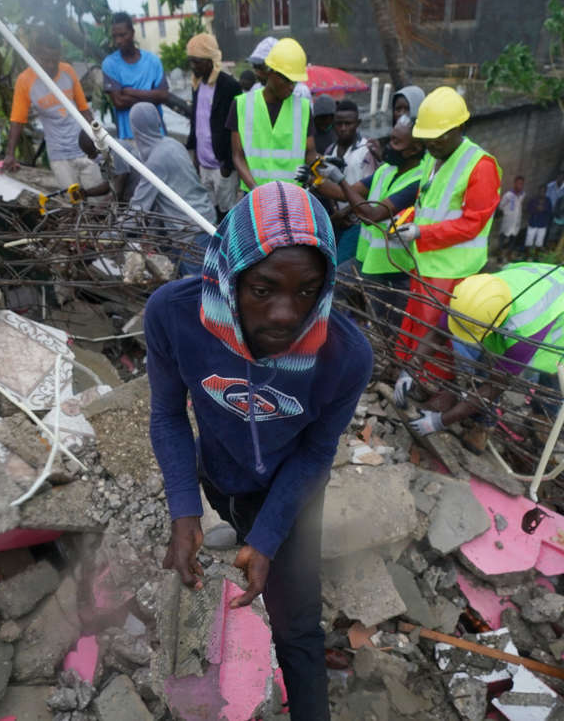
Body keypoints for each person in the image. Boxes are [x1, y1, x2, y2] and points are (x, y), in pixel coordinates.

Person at [147, 181, 372, 721]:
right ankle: (241, 529)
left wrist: (270, 537)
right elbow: (168, 416)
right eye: (263, 289)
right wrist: (184, 513)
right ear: (231, 276)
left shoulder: (345, 356)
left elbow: (316, 455)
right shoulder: (176, 316)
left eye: (306, 291)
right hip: (218, 472)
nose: (284, 315)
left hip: (290, 485)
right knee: (236, 522)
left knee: (296, 624)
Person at [398, 263, 564, 453]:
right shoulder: (468, 296)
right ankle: (483, 422)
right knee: (487, 360)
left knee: (556, 368)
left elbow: (495, 384)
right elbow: (439, 332)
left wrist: (441, 421)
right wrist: (409, 369)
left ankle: (542, 420)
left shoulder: (525, 329)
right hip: (534, 281)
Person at [390, 86, 502, 396]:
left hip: (453, 269)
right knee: (415, 323)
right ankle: (408, 374)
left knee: (436, 333)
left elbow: (472, 224)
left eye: (439, 137)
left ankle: (430, 387)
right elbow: (427, 202)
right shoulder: (432, 157)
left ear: (459, 128)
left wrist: (422, 233)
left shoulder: (480, 166)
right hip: (425, 261)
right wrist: (409, 222)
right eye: (428, 138)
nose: (432, 144)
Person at [302, 115, 428, 313]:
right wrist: (314, 180)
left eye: (395, 142)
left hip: (392, 272)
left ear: (414, 150)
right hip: (365, 261)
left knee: (385, 333)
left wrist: (339, 178)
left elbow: (372, 215)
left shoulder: (417, 181)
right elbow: (346, 193)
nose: (387, 145)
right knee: (327, 295)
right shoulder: (386, 170)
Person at [2, 30, 105, 200]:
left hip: (85, 150)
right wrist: (10, 154)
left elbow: (84, 109)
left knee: (99, 202)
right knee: (74, 204)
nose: (50, 65)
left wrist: (99, 139)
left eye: (54, 60)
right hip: (59, 155)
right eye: (45, 60)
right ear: (35, 56)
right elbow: (17, 120)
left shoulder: (68, 71)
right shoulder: (25, 80)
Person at [228, 38, 317, 192]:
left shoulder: (303, 108)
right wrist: (257, 191)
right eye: (287, 80)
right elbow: (238, 156)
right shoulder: (241, 105)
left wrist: (317, 173)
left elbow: (310, 154)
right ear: (270, 72)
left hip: (292, 198)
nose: (291, 86)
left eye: (295, 81)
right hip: (253, 196)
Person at [127, 103, 215, 257]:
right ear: (158, 122)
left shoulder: (155, 161)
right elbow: (161, 199)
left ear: (136, 129)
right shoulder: (173, 144)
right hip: (206, 218)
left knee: (196, 278)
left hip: (189, 231)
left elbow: (139, 208)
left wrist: (109, 235)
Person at [185, 33, 242, 218]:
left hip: (221, 165)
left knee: (228, 213)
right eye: (191, 61)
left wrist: (227, 165)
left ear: (210, 61)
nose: (193, 66)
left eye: (197, 62)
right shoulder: (198, 84)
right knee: (209, 212)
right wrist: (194, 155)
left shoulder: (229, 86)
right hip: (204, 164)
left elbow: (235, 128)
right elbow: (196, 121)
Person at [102, 13, 169, 139]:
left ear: (132, 33)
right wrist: (152, 97)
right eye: (115, 36)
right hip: (129, 138)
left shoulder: (153, 61)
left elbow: (164, 96)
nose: (118, 41)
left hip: (157, 135)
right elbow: (119, 102)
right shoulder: (110, 64)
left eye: (122, 35)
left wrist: (130, 91)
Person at [248, 36, 312, 100]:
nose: (257, 73)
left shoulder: (301, 92)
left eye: (261, 67)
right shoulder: (254, 90)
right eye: (254, 66)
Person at [497, 176, 525, 254]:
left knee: (513, 238)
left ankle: (509, 254)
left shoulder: (523, 195)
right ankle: (499, 255)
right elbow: (501, 206)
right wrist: (507, 213)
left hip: (516, 221)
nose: (520, 185)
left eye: (522, 184)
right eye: (518, 183)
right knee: (503, 237)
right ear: (515, 183)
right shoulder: (508, 195)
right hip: (508, 221)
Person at [524, 185, 552, 253]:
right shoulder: (533, 200)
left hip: (542, 224)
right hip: (533, 223)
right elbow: (528, 209)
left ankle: (536, 257)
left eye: (544, 191)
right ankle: (526, 256)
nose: (542, 193)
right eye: (541, 191)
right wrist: (536, 209)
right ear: (538, 191)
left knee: (539, 242)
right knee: (529, 241)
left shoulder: (548, 201)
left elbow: (550, 211)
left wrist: (543, 209)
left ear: (546, 192)